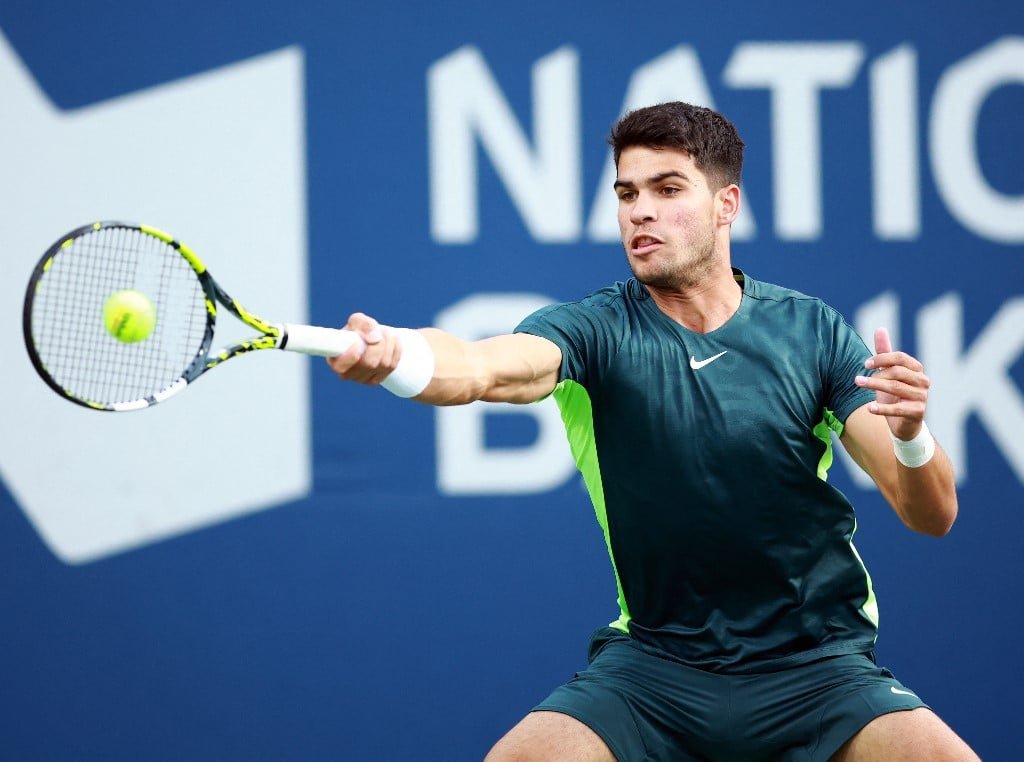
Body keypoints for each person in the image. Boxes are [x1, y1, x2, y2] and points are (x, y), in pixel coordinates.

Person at [327, 102, 978, 761]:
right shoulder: (594, 330)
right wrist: (400, 357)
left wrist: (911, 435)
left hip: (818, 668)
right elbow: (481, 369)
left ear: (726, 205)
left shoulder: (812, 332)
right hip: (656, 670)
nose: (640, 212)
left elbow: (932, 514)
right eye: (627, 194)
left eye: (667, 190)